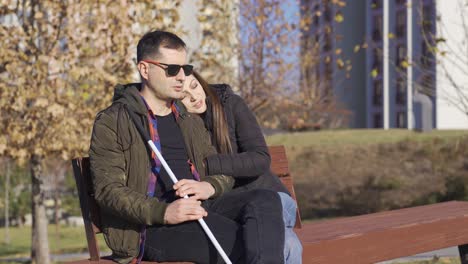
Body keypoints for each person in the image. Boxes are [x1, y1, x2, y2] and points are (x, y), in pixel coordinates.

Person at [89, 30, 285, 264]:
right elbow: (108, 190)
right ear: (144, 69)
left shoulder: (186, 118)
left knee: (266, 199)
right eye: (172, 69)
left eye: (185, 68)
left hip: (202, 207)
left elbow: (219, 171)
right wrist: (165, 212)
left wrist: (209, 187)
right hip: (152, 227)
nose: (181, 76)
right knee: (243, 241)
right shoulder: (114, 121)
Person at [180, 71, 303, 264]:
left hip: (272, 197)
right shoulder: (180, 126)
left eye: (195, 86)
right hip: (230, 208)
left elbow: (260, 158)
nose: (194, 97)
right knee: (289, 244)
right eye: (184, 96)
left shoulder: (231, 104)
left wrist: (209, 164)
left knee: (278, 241)